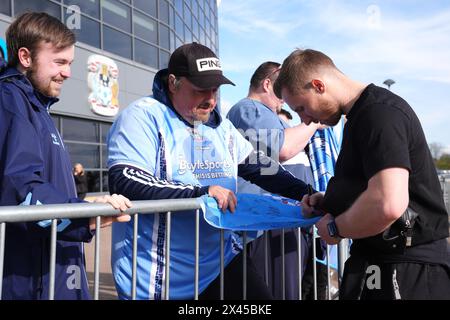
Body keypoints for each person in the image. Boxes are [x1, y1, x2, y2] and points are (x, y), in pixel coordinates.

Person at [107, 43, 314, 300]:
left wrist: (308, 193)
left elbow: (259, 168)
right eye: (200, 90)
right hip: (163, 277)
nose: (212, 99)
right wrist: (201, 194)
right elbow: (125, 180)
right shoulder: (142, 116)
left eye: (215, 89)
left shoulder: (219, 126)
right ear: (173, 83)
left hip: (221, 262)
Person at [274, 48, 450, 300]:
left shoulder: (379, 114)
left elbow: (388, 204)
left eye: (302, 107)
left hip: (406, 270)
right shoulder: (359, 117)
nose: (306, 119)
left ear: (318, 85)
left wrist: (335, 229)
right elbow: (372, 189)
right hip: (383, 265)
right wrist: (331, 200)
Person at [0, 12, 132, 300]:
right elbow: (20, 188)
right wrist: (85, 217)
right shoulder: (10, 101)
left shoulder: (37, 107)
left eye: (70, 63)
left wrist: (84, 206)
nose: (68, 73)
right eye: (59, 62)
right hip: (29, 279)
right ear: (25, 57)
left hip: (55, 272)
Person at [227, 62, 321, 299]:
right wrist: (315, 121)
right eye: (282, 91)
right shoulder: (249, 109)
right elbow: (282, 148)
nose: (285, 100)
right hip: (267, 227)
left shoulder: (266, 114)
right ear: (267, 84)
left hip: (282, 220)